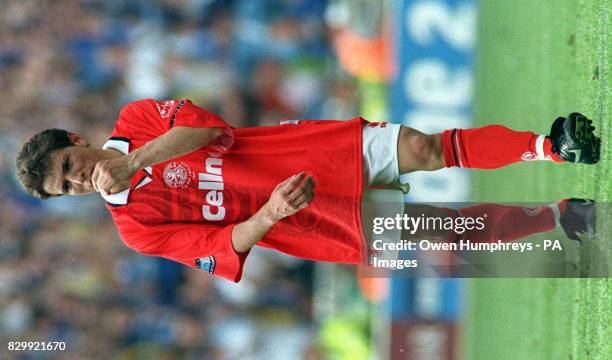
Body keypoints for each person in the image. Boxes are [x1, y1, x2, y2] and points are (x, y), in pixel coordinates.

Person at [16, 99, 600, 282]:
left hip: (308, 153)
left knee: (425, 148)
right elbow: (225, 247)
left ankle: (549, 147)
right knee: (452, 238)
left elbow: (210, 129)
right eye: (63, 186)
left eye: (67, 163)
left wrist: (139, 159)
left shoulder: (139, 118)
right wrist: (269, 213)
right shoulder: (135, 230)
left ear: (76, 138)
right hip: (312, 221)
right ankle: (562, 215)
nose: (75, 179)